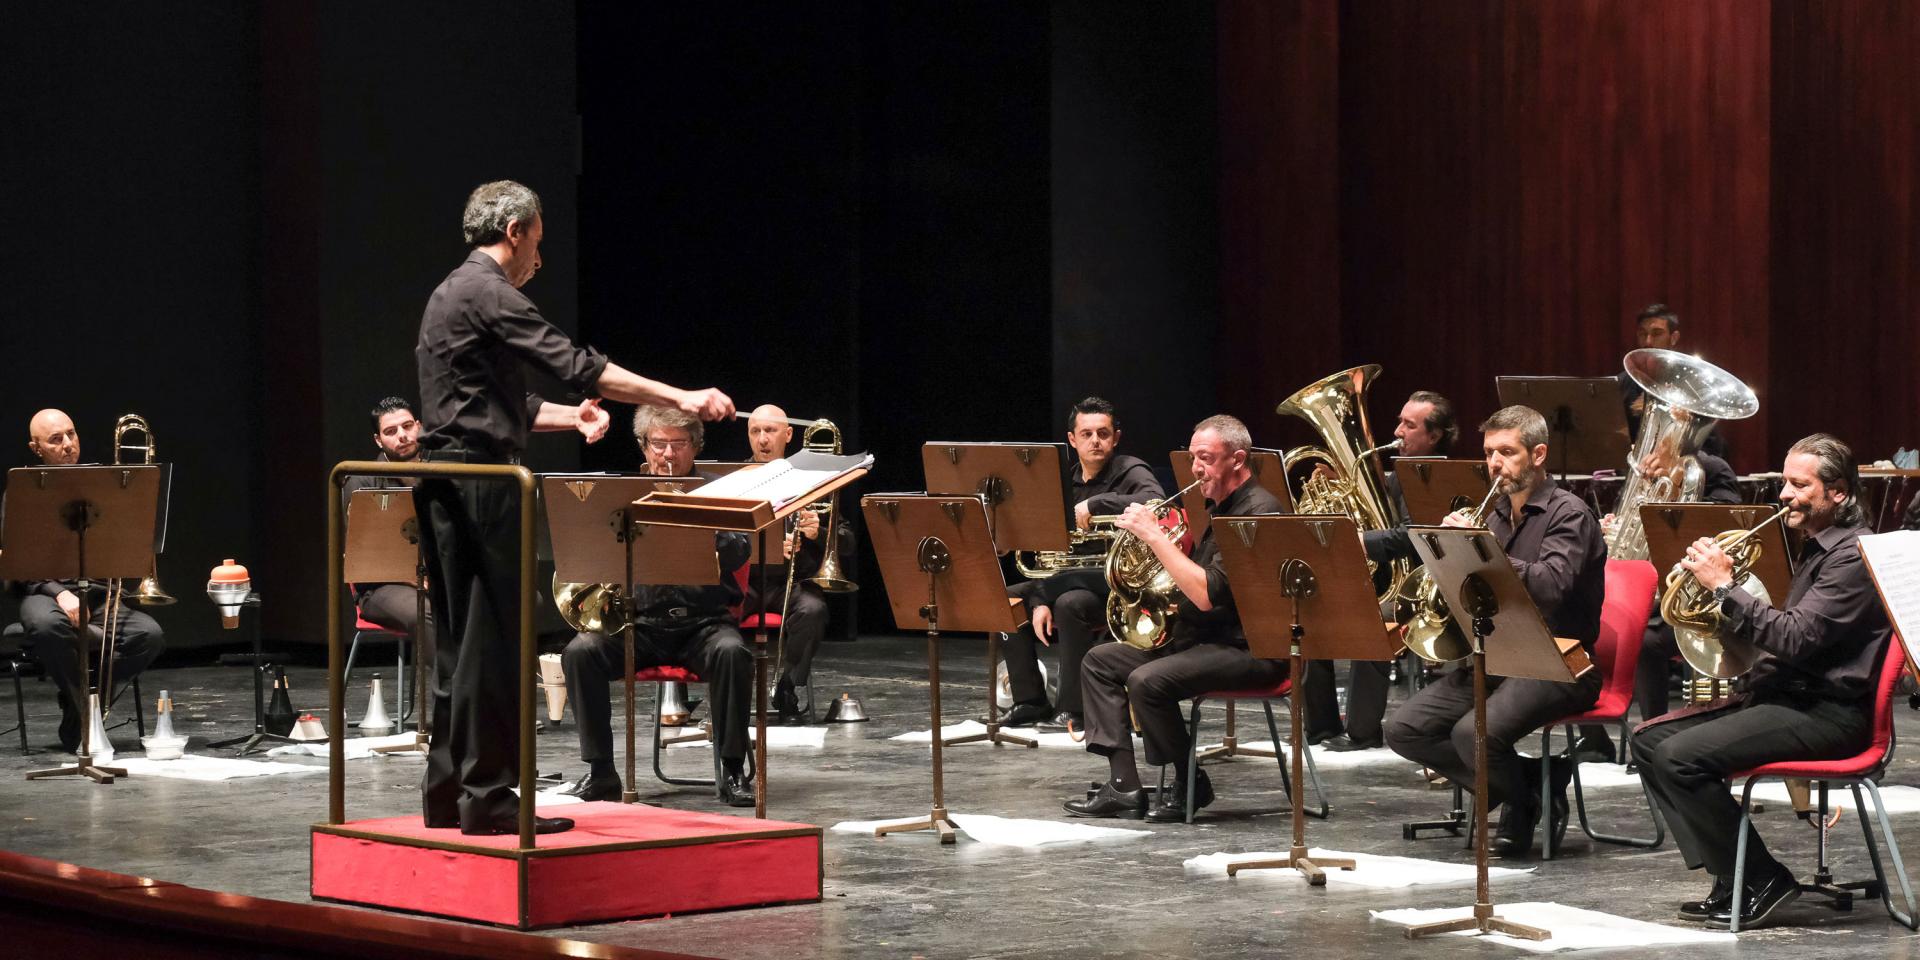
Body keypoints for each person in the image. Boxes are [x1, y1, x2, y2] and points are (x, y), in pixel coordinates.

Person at [413, 180, 733, 836]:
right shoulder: (495, 293)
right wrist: (687, 397)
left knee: (457, 646)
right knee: (494, 646)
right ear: (515, 232)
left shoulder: (449, 293)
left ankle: (449, 793)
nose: (538, 255)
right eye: (537, 240)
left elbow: (493, 404)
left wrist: (569, 420)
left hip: (443, 484)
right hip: (483, 490)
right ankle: (491, 798)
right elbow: (583, 365)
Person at [1633, 434, 1892, 929]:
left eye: (1799, 485)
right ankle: (1732, 878)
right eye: (1783, 482)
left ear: (1837, 492)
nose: (1785, 495)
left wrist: (1724, 587)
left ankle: (1764, 879)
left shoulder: (1851, 557)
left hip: (1831, 714)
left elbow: (1794, 638)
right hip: (1787, 698)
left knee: (1679, 758)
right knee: (1649, 740)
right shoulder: (1814, 548)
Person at [1381, 405, 1607, 858]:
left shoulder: (1570, 514)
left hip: (1560, 661)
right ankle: (1529, 786)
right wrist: (1451, 555)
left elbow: (1551, 586)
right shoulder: (1495, 512)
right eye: (1489, 453)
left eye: (1508, 452)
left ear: (1538, 454)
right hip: (1498, 654)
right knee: (1405, 729)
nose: (1495, 463)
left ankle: (1519, 806)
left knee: (1473, 735)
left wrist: (1484, 551)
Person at [1063, 414, 1284, 823]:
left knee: (1147, 681)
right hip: (1205, 639)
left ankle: (1189, 781)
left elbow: (1204, 594)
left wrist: (1156, 538)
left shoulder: (1256, 514)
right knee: (1100, 661)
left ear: (1237, 460)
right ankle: (1125, 787)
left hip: (1250, 648)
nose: (1196, 469)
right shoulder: (1219, 507)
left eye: (1206, 459)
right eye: (1193, 458)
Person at [558, 406, 755, 806]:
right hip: (637, 623)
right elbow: (587, 550)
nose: (668, 454)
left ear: (696, 446)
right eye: (659, 443)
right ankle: (601, 772)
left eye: (678, 444)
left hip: (704, 624)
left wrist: (700, 523)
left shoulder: (718, 490)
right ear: (644, 446)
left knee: (733, 653)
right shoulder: (622, 494)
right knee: (580, 653)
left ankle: (732, 769)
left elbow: (740, 551)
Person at [1001, 397, 1164, 730]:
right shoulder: (1060, 482)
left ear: (1115, 437)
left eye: (1103, 433)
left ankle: (1073, 708)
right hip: (1063, 577)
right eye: (1086, 434)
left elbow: (1155, 501)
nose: (1095, 441)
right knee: (1005, 598)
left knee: (1069, 603)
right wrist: (1038, 597)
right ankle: (1029, 700)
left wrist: (1097, 503)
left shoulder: (1131, 470)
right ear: (1072, 440)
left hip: (1116, 583)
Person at [1307, 390, 1457, 751]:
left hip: (1430, 589)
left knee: (1369, 622)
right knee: (1311, 618)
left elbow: (1413, 537)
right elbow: (1379, 514)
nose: (1398, 431)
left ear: (1434, 436)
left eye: (1409, 425)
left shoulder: (1435, 477)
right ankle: (1322, 727)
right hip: (1395, 581)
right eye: (1400, 422)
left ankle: (1362, 731)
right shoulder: (1400, 474)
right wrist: (1341, 484)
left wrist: (1359, 540)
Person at [12, 409, 166, 753]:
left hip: (98, 593)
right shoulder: (22, 492)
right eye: (56, 439)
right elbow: (15, 562)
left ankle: (81, 709)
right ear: (36, 448)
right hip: (44, 592)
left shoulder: (105, 488)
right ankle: (86, 712)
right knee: (47, 626)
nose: (68, 445)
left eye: (72, 434)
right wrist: (60, 593)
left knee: (148, 634)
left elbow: (129, 540)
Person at [743, 404, 848, 724]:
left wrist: (818, 533)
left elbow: (848, 542)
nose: (762, 439)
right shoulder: (735, 478)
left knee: (814, 610)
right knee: (707, 606)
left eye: (770, 431)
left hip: (792, 584)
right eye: (755, 431)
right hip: (744, 581)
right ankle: (721, 690)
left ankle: (787, 685)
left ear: (788, 435)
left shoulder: (812, 481)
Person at [341, 397, 432, 656]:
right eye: (391, 431)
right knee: (424, 611)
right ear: (379, 440)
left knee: (507, 602)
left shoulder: (444, 472)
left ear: (420, 427)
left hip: (440, 578)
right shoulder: (362, 480)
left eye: (407, 426)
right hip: (382, 587)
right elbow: (363, 553)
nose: (402, 436)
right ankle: (457, 691)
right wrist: (419, 580)